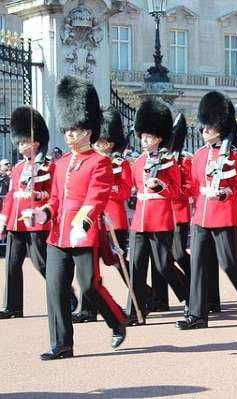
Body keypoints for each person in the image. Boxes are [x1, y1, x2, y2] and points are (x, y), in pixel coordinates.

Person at [36, 75, 127, 360]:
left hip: (82, 232)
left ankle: (117, 320)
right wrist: (44, 211)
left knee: (89, 286)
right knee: (55, 288)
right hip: (58, 234)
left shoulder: (99, 162)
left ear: (88, 131)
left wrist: (83, 222)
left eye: (75, 130)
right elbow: (55, 198)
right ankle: (62, 343)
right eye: (67, 131)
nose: (69, 135)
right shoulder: (61, 163)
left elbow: (96, 197)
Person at [175, 91, 237, 330]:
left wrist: (226, 193)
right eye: (204, 128)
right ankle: (197, 315)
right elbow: (193, 187)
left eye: (209, 127)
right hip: (201, 215)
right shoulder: (199, 156)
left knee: (229, 262)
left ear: (220, 128)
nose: (205, 131)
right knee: (199, 265)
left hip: (224, 215)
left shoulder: (235, 157)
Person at [0, 107, 74, 319]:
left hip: (35, 221)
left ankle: (67, 294)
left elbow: (54, 193)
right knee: (12, 265)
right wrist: (4, 220)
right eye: (20, 142)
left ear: (36, 141)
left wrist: (39, 196)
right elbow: (10, 196)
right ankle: (13, 306)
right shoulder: (17, 168)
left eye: (25, 141)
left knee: (41, 263)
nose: (21, 145)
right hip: (16, 221)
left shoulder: (49, 167)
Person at [127, 98, 189, 326]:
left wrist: (160, 186)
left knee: (163, 265)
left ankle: (189, 296)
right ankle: (135, 312)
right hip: (140, 220)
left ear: (159, 138)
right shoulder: (137, 162)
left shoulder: (168, 162)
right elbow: (130, 188)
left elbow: (175, 191)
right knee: (136, 266)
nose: (145, 140)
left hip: (160, 217)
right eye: (143, 136)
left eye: (149, 137)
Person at [72, 106, 132, 323]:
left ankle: (140, 296)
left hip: (113, 220)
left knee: (119, 264)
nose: (99, 146)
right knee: (90, 268)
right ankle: (87, 309)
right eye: (98, 142)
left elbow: (124, 191)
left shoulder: (120, 163)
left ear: (111, 143)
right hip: (93, 222)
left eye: (103, 142)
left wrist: (105, 189)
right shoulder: (89, 163)